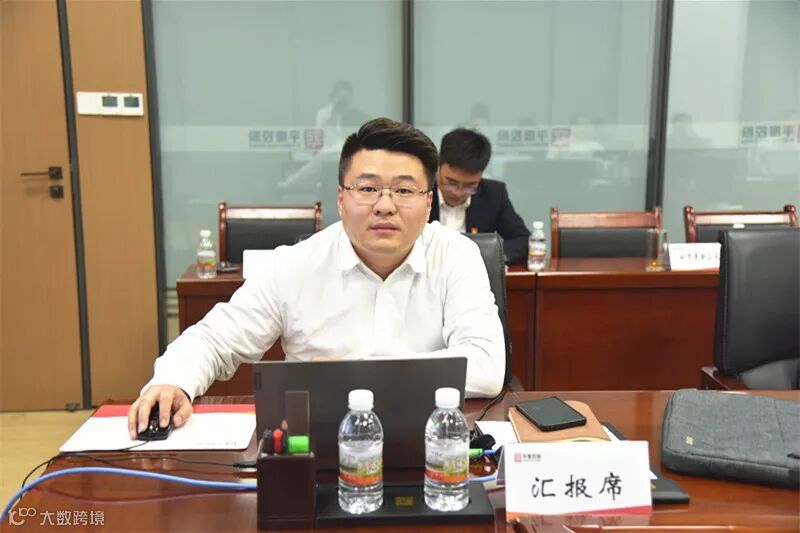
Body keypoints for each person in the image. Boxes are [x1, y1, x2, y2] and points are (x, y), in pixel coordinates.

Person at [128, 118, 505, 438]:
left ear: (428, 202)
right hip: (315, 442)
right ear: (341, 199)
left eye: (404, 190)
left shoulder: (456, 255)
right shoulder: (294, 265)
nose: (385, 205)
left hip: (432, 442)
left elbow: (486, 367)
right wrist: (173, 380)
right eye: (368, 189)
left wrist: (349, 375)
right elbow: (213, 339)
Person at [429, 128, 530, 264]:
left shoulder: (493, 195)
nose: (458, 192)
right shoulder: (420, 192)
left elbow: (522, 240)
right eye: (451, 183)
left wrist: (487, 256)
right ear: (438, 164)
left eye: (469, 186)